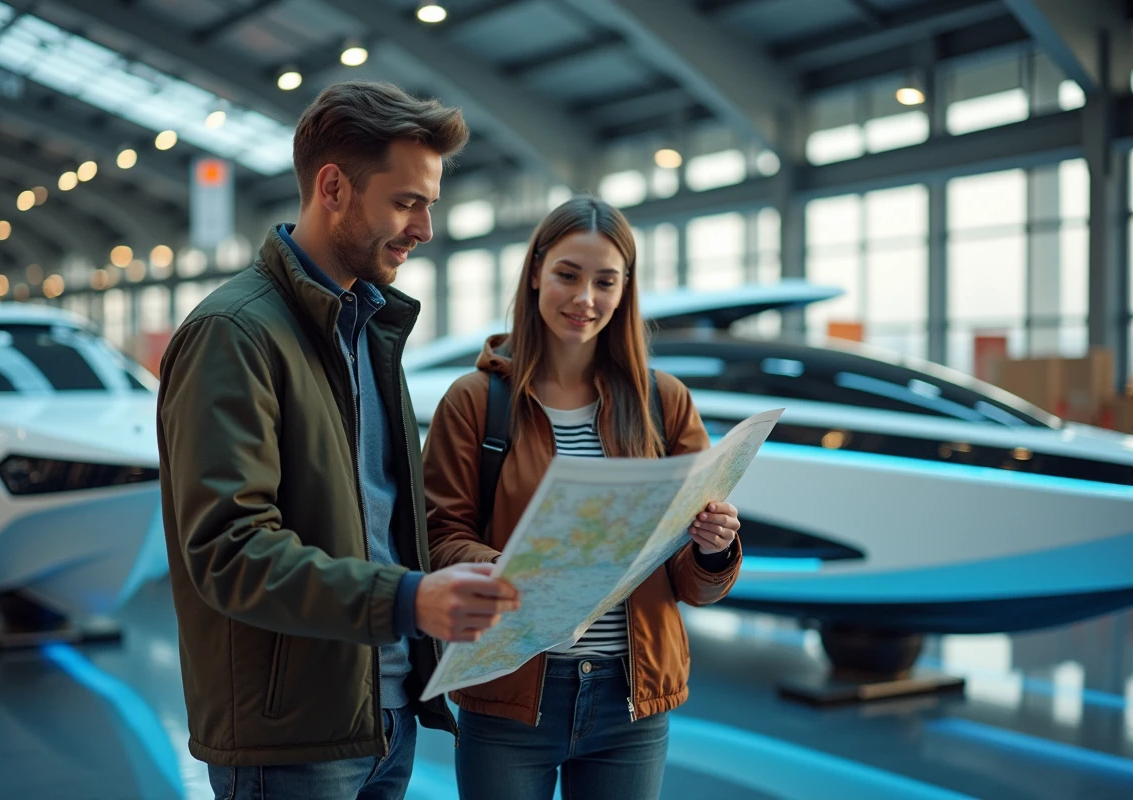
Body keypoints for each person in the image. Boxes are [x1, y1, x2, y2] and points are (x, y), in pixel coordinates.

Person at [156, 81, 520, 800]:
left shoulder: (368, 330)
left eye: (429, 206)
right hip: (289, 737)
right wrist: (410, 599)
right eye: (407, 202)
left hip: (385, 713)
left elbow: (380, 519)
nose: (425, 229)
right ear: (333, 188)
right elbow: (229, 551)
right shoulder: (234, 334)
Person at [422, 196, 743, 800]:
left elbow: (692, 583)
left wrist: (714, 548)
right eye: (568, 274)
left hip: (630, 701)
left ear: (626, 289)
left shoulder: (663, 404)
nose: (585, 299)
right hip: (511, 697)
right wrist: (511, 572)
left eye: (605, 281)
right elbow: (437, 535)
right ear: (536, 270)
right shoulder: (474, 402)